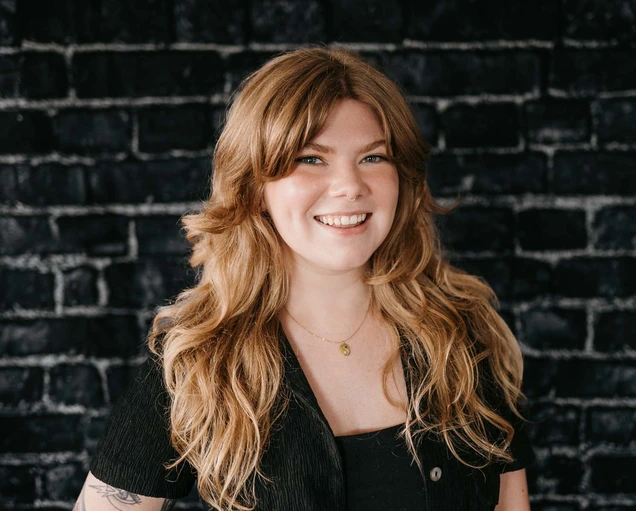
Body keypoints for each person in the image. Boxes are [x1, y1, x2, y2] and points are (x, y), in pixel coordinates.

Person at [73, 46, 534, 511]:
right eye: (312, 159)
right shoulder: (198, 359)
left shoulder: (463, 333)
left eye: (373, 157)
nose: (350, 185)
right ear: (256, 186)